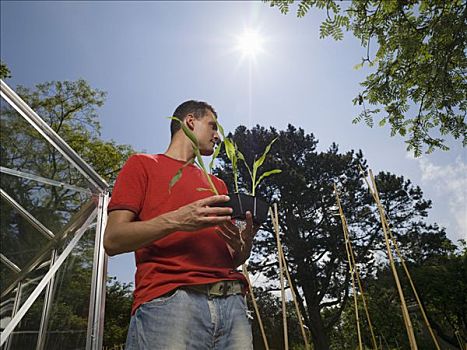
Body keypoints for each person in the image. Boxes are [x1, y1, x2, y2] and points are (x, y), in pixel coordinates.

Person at [103, 100, 257, 349]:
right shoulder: (142, 165)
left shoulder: (218, 185)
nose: (217, 136)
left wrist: (243, 247)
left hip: (233, 305)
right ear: (190, 122)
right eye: (212, 126)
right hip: (172, 302)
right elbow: (113, 239)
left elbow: (230, 257)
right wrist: (177, 220)